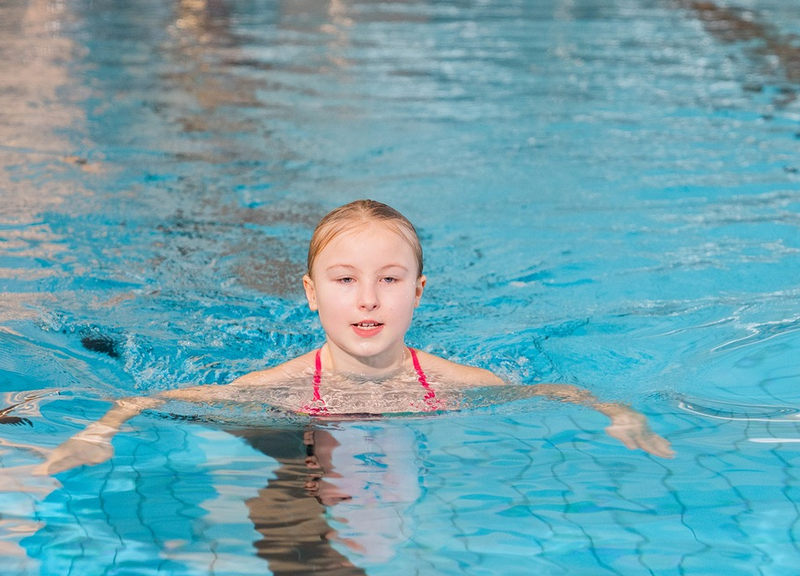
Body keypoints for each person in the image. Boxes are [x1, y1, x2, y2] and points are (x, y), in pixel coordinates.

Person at [35, 199, 673, 475]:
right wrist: (99, 433)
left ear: (418, 292)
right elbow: (151, 397)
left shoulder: (454, 381)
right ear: (311, 294)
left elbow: (557, 390)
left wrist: (618, 413)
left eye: (390, 280)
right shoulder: (276, 385)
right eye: (345, 280)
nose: (367, 298)